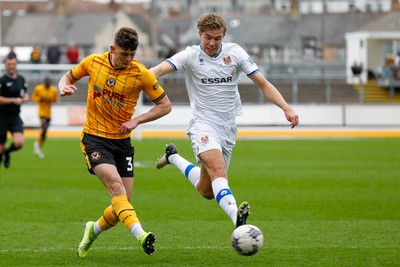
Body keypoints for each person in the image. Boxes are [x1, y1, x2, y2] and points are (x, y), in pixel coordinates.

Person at [150, 13, 299, 230]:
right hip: (202, 125)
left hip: (227, 129)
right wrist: (137, 80)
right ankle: (237, 220)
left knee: (207, 190)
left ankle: (172, 157)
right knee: (219, 170)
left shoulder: (235, 53)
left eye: (217, 38)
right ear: (199, 34)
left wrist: (286, 107)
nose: (212, 43)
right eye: (207, 37)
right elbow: (157, 70)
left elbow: (263, 84)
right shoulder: (190, 55)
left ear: (224, 36)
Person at [58, 27, 171, 257]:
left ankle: (92, 229)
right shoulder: (94, 62)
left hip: (122, 142)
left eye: (132, 54)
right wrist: (63, 85)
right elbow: (69, 75)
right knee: (116, 188)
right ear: (112, 49)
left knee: (123, 204)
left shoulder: (141, 74)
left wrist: (137, 120)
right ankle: (141, 234)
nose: (128, 59)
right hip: (95, 138)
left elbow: (165, 105)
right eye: (124, 54)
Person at [0, 55, 30, 169]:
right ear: (6, 65)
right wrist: (13, 100)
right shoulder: (2, 80)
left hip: (15, 117)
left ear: (16, 65)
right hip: (2, 117)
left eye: (13, 64)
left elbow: (26, 94)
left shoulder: (21, 79)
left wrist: (24, 99)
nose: (11, 66)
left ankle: (7, 152)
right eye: (9, 64)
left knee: (19, 143)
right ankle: (3, 153)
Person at [31, 77, 60, 158]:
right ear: (44, 83)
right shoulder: (39, 88)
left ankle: (39, 145)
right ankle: (37, 145)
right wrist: (39, 99)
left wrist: (52, 99)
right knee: (44, 127)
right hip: (41, 113)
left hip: (48, 114)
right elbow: (33, 97)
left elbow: (56, 99)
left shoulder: (53, 90)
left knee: (44, 132)